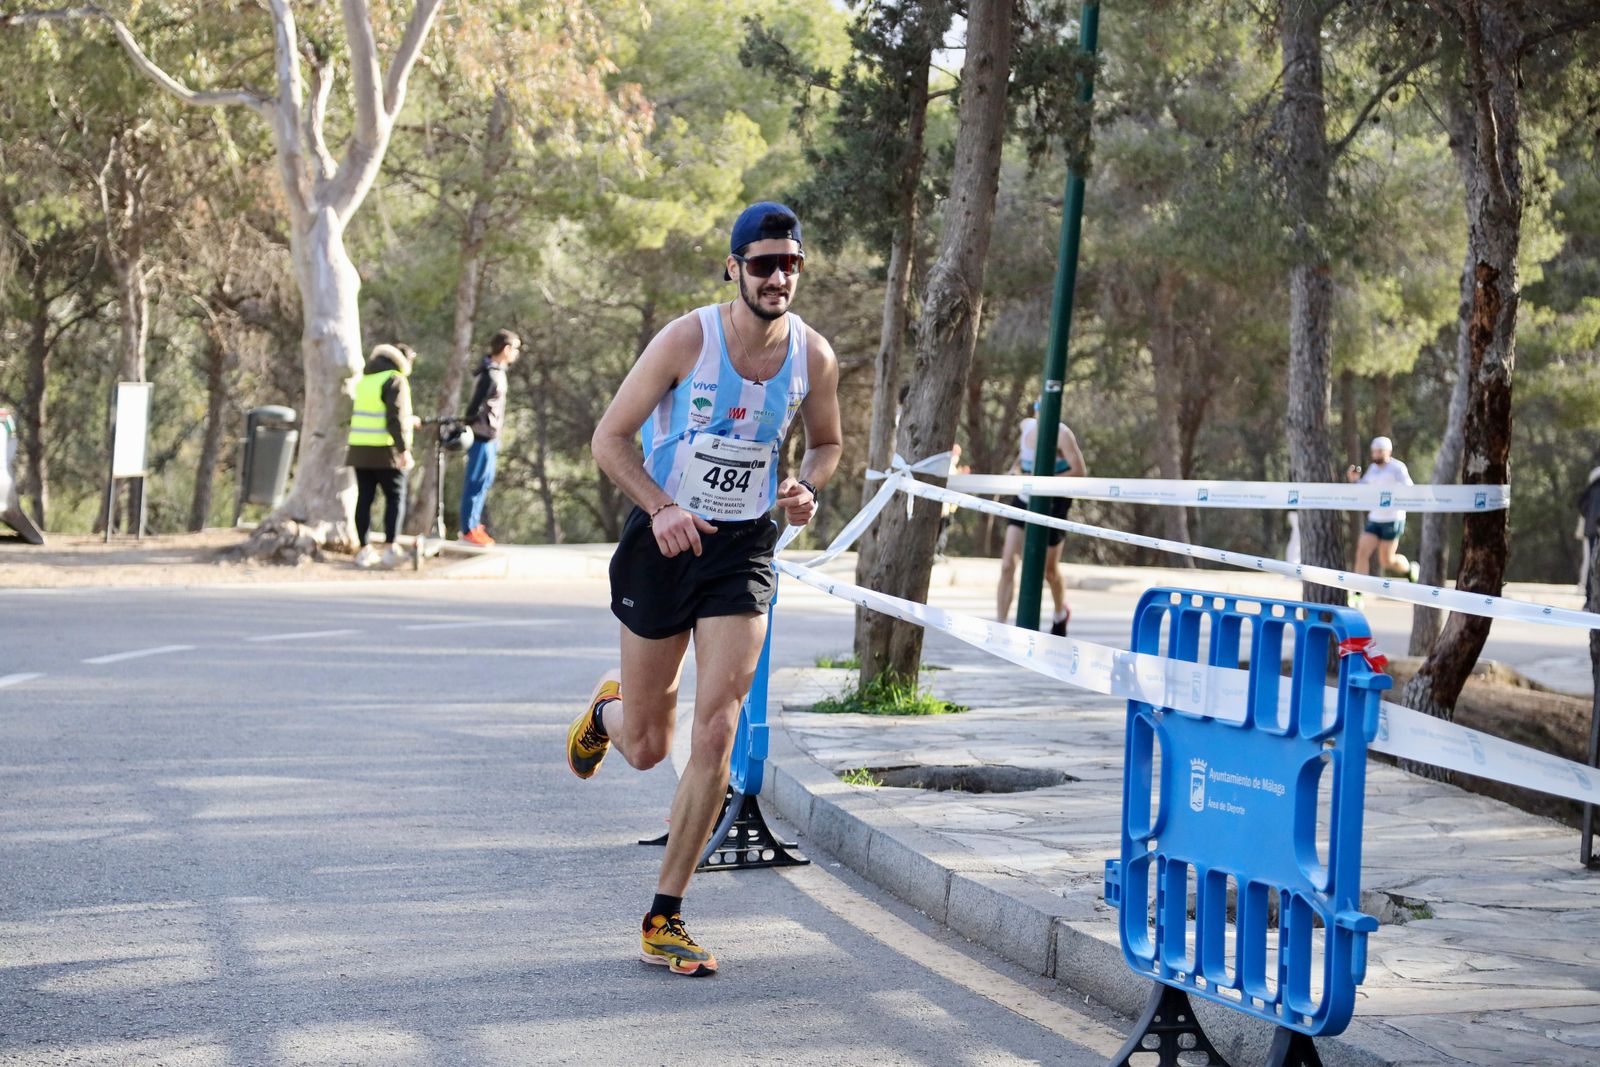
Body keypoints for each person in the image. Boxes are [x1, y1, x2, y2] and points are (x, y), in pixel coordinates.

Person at [572, 202, 842, 977]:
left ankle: (667, 914)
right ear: (734, 268)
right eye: (763, 263)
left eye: (790, 263)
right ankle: (607, 711)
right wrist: (659, 508)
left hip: (743, 551)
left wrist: (804, 488)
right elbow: (609, 438)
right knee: (649, 743)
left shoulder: (812, 357)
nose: (778, 276)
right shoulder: (689, 339)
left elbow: (826, 444)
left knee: (717, 729)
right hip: (664, 545)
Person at [996, 405, 1087, 635]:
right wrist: (1016, 475)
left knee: (1049, 571)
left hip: (1054, 502)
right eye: (1038, 410)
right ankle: (1000, 626)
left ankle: (1060, 613)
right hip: (1025, 498)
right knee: (1008, 564)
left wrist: (1046, 481)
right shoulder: (1026, 428)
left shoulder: (1063, 435)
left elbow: (1079, 470)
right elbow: (1019, 462)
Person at [346, 343, 416, 568]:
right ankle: (390, 547)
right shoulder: (395, 379)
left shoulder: (365, 379)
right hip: (385, 449)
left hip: (359, 447)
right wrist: (403, 449)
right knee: (395, 497)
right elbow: (393, 417)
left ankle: (364, 548)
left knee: (364, 498)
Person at [459, 329, 521, 546]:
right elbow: (473, 406)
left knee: (485, 482)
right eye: (515, 348)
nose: (516, 353)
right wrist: (470, 426)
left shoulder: (499, 372)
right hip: (480, 438)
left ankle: (475, 525)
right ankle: (468, 528)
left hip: (491, 438)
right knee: (474, 483)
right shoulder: (488, 374)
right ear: (505, 349)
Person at [1348, 435, 1417, 581]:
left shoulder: (1397, 467)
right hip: (1375, 518)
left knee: (1386, 561)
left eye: (1380, 451)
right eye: (1374, 452)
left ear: (1388, 452)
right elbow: (1363, 488)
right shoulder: (1372, 469)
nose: (1376, 455)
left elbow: (1409, 488)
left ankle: (1410, 570)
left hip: (1393, 518)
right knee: (1362, 552)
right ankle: (1358, 593)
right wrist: (1354, 480)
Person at [1575, 466, 1600, 593]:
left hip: (1590, 531)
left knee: (1591, 560)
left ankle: (1589, 593)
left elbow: (1582, 508)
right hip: (1595, 531)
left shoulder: (1590, 491)